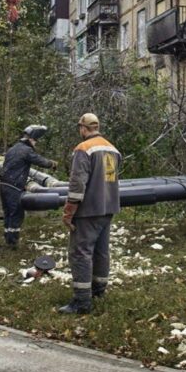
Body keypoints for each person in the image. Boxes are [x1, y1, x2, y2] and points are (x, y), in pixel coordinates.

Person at [58, 112, 121, 315]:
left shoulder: (83, 149)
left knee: (80, 253)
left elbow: (77, 184)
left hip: (88, 211)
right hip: (108, 208)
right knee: (101, 251)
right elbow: (108, 180)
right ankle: (99, 290)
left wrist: (69, 211)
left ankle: (82, 301)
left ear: (83, 129)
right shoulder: (112, 149)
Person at [0, 124, 56, 247]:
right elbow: (41, 161)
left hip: (4, 184)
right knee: (16, 213)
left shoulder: (13, 148)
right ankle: (13, 242)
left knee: (8, 212)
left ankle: (8, 238)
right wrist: (52, 163)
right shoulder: (27, 150)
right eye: (35, 140)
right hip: (14, 186)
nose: (36, 143)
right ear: (31, 139)